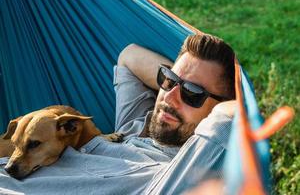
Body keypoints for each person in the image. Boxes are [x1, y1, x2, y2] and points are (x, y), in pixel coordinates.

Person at [0, 34, 236, 194]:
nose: (168, 98)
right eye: (168, 80)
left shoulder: (178, 172)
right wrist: (181, 83)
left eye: (193, 93)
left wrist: (231, 103)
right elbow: (129, 57)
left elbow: (229, 117)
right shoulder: (133, 127)